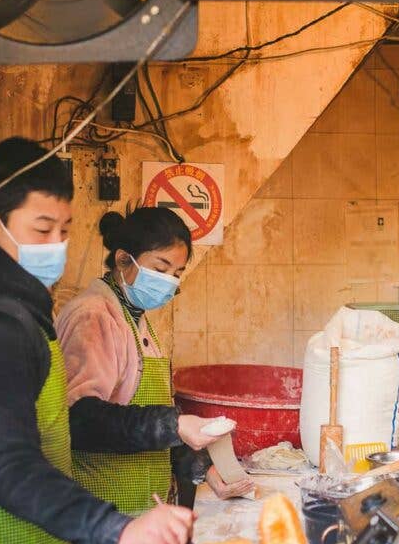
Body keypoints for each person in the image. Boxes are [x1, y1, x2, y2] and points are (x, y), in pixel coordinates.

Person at [0, 137, 194, 544]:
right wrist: (115, 529)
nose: (56, 246)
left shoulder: (17, 305)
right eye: (41, 230)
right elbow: (7, 465)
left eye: (64, 230)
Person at [56, 207, 254, 515]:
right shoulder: (93, 315)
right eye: (160, 269)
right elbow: (80, 419)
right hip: (101, 507)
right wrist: (174, 424)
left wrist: (202, 468)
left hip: (142, 506)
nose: (169, 282)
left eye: (176, 273)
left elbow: (149, 420)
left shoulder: (135, 318)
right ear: (124, 260)